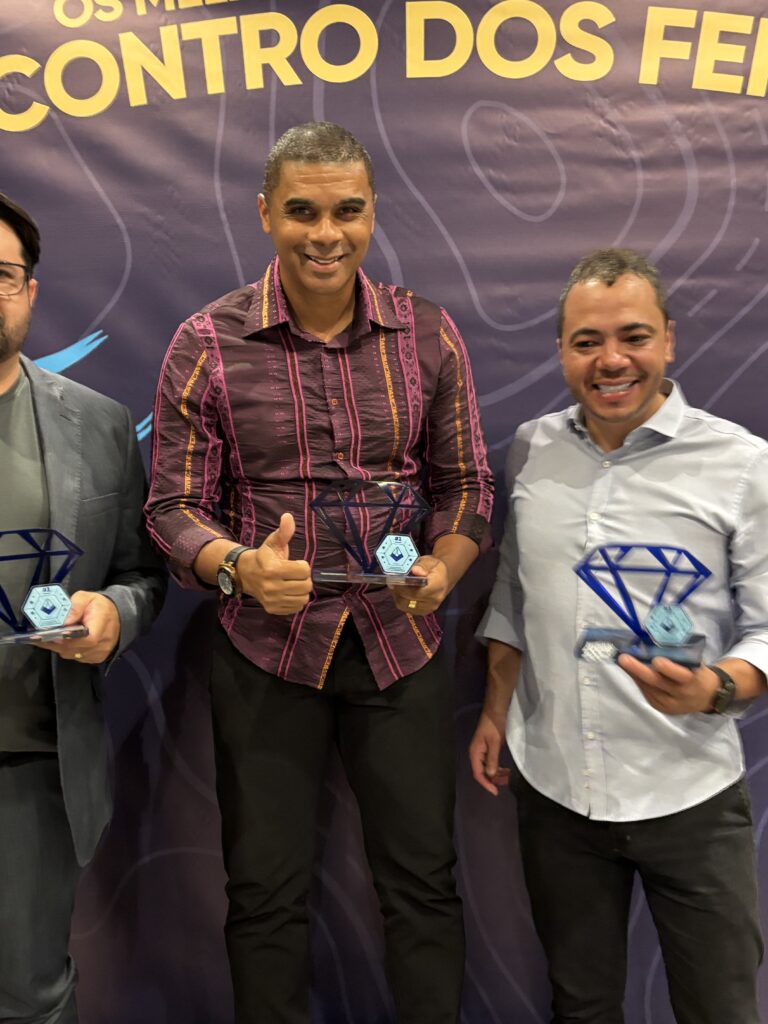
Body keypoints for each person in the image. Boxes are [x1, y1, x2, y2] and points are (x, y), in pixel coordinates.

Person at [145, 120, 493, 1024]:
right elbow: (171, 507)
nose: (325, 233)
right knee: (264, 893)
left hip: (401, 643)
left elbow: (467, 486)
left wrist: (443, 569)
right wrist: (239, 568)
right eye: (302, 211)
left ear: (372, 213)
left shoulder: (428, 333)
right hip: (265, 649)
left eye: (347, 211)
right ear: (266, 213)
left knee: (423, 884)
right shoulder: (206, 341)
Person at [470, 248, 766, 1024]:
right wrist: (497, 707)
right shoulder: (532, 448)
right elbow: (516, 589)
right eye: (586, 342)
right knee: (581, 1007)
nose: (611, 361)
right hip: (556, 792)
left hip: (689, 794)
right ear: (561, 351)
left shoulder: (741, 464)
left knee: (722, 1009)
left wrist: (715, 688)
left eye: (633, 336)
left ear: (668, 339)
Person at [0, 193, 166, 1023]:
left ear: (30, 291)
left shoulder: (99, 426)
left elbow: (142, 574)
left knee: (31, 999)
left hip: (30, 769)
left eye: (0, 275)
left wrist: (115, 616)